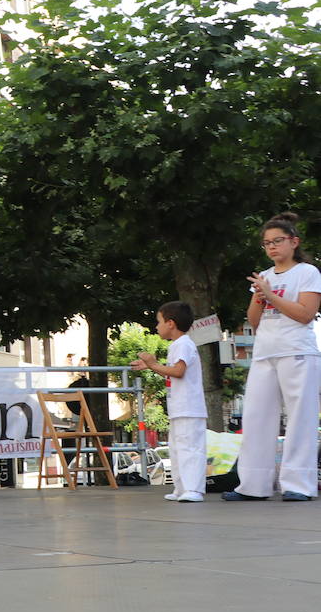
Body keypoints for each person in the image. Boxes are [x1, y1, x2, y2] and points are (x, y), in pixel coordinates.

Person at [224, 214, 321, 501]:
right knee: (255, 417)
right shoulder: (265, 276)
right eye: (267, 243)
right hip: (266, 351)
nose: (272, 248)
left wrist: (271, 295)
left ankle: (298, 485)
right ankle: (253, 486)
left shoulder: (308, 272)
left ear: (294, 241)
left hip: (297, 350)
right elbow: (254, 320)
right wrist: (259, 296)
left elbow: (304, 314)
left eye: (278, 241)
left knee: (300, 418)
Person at [131, 301, 206, 502]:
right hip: (180, 408)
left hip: (189, 408)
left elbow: (178, 372)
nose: (157, 326)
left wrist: (153, 364)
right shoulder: (177, 345)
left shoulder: (184, 344)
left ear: (170, 323)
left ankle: (194, 489)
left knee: (189, 449)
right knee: (177, 448)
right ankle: (182, 488)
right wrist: (151, 366)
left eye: (159, 322)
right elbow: (174, 370)